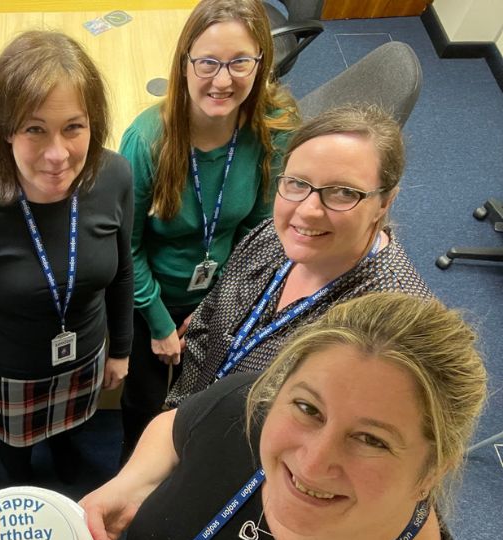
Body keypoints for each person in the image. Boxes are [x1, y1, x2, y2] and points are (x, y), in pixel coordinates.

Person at [80, 293, 495, 540]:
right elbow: (175, 430)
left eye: (371, 439)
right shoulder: (249, 409)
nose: (312, 465)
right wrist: (127, 485)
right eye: (308, 409)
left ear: (433, 471)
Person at [0, 31, 133, 484]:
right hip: (11, 373)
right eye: (34, 129)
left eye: (73, 127)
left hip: (85, 355)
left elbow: (121, 274)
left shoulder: (115, 175)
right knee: (16, 457)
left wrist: (120, 350)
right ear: (5, 129)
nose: (57, 155)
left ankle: (65, 461)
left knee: (72, 437)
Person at [118, 0, 299, 460]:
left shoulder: (272, 131)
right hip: (151, 298)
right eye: (208, 63)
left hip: (222, 292)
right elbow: (127, 247)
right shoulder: (148, 141)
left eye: (240, 62)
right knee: (144, 401)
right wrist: (160, 324)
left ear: (260, 64)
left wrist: (221, 304)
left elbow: (259, 232)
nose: (223, 80)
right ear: (184, 64)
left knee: (203, 400)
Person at [163, 103, 431, 411]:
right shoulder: (276, 235)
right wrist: (179, 417)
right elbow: (212, 315)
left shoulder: (396, 330)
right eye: (297, 183)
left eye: (343, 192)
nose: (307, 211)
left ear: (385, 202)